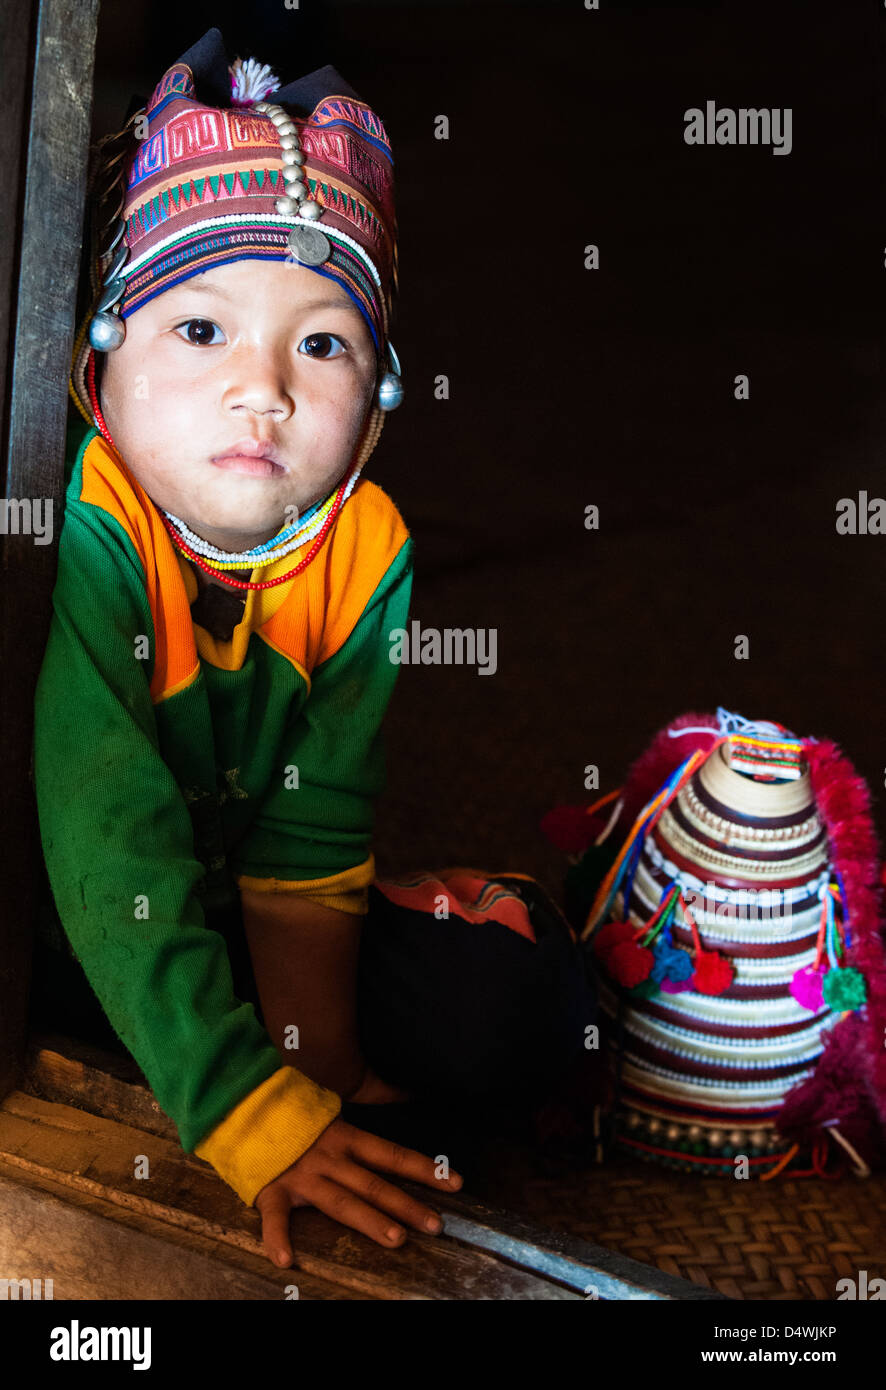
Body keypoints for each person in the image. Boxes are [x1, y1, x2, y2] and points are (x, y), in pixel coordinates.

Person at [32, 27, 596, 1270]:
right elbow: (104, 835)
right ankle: (192, 1074)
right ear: (98, 362)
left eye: (323, 342)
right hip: (79, 913)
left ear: (382, 391)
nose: (265, 389)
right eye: (199, 332)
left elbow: (310, 825)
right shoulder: (90, 528)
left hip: (222, 903)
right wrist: (251, 1112)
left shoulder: (364, 547)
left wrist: (314, 1075)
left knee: (525, 1000)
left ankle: (232, 1074)